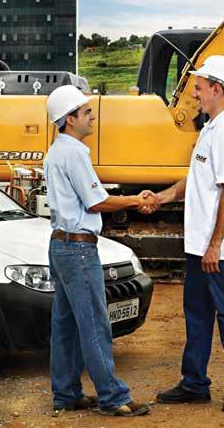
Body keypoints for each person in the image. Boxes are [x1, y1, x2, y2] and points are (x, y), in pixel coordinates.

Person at [148, 55, 224, 412]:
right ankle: (194, 382)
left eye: (198, 87)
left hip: (218, 251)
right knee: (196, 314)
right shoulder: (210, 129)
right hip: (200, 247)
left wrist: (215, 244)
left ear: (216, 89)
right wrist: (163, 196)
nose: (194, 93)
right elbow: (197, 179)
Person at [44, 85, 156, 417]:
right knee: (94, 323)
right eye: (86, 112)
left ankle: (66, 393)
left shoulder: (55, 152)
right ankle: (112, 396)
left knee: (65, 324)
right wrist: (136, 200)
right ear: (69, 119)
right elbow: (97, 202)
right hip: (79, 250)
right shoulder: (75, 152)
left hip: (60, 246)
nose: (92, 117)